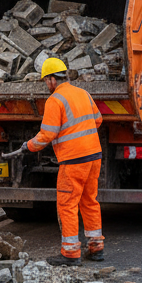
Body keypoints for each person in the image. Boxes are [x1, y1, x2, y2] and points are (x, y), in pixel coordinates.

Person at [26, 57, 105, 266]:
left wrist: (29, 146)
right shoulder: (84, 94)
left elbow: (47, 134)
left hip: (73, 159)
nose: (46, 85)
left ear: (52, 79)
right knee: (90, 200)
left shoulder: (55, 100)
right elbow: (98, 120)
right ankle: (96, 248)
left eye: (46, 81)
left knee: (67, 204)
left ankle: (70, 253)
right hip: (94, 155)